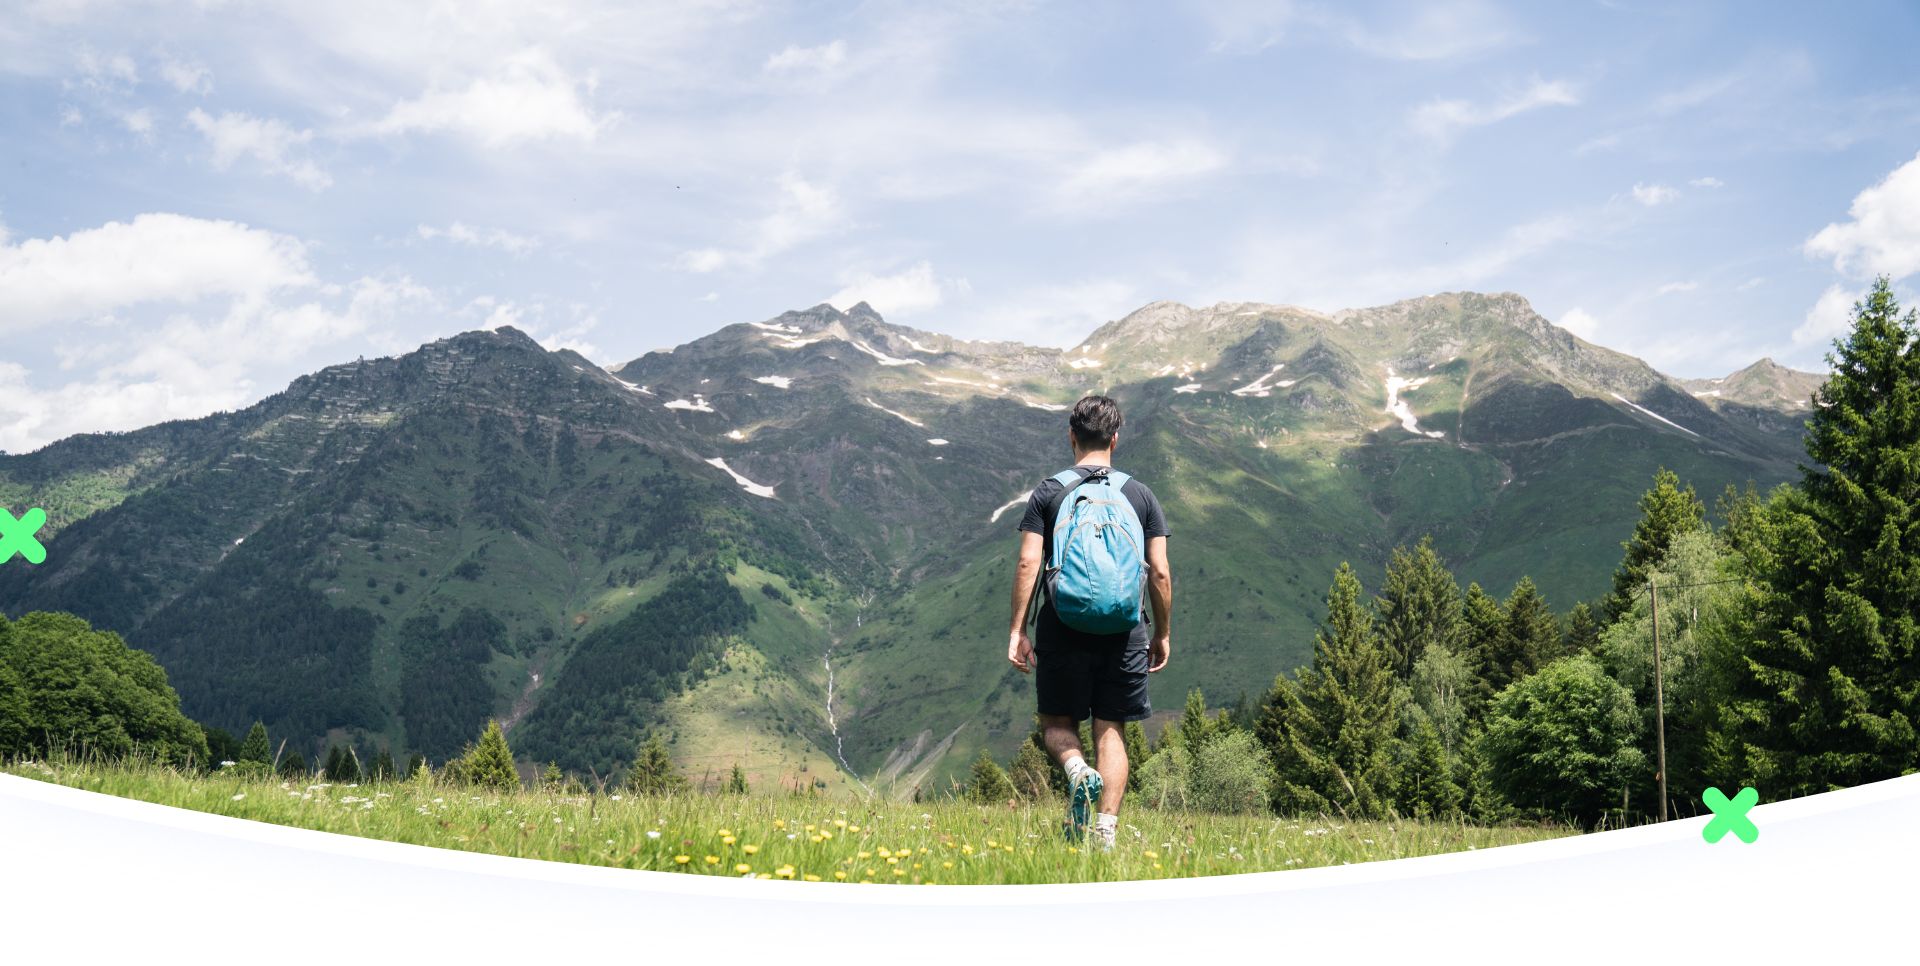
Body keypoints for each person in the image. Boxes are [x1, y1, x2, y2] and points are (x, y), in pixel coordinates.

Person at [1007, 394, 1172, 850]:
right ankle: (1104, 834)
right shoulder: (1140, 495)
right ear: (1116, 439)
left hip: (1063, 622)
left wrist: (1018, 630)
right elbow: (1158, 571)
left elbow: (1028, 564)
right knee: (1111, 726)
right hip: (1124, 628)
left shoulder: (1049, 491)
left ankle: (1077, 771)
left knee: (1057, 722)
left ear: (1071, 436)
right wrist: (1161, 633)